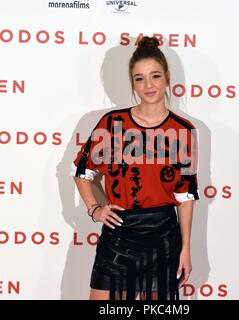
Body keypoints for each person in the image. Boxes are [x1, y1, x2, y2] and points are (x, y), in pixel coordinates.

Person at [71, 36, 200, 300]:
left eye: (155, 76)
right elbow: (83, 173)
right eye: (140, 78)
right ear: (132, 83)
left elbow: (185, 195)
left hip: (164, 237)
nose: (148, 85)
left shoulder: (183, 131)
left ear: (167, 77)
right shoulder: (112, 123)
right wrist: (95, 209)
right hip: (119, 234)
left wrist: (185, 248)